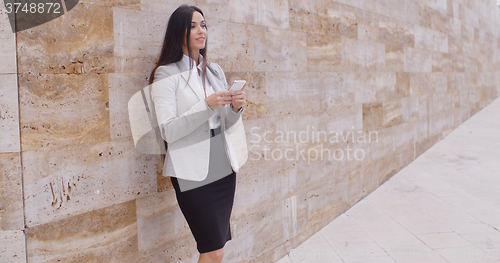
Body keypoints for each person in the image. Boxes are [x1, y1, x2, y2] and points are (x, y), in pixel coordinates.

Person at [149, 5, 248, 263]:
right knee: (213, 249)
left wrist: (235, 108)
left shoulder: (214, 71)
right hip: (191, 172)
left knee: (216, 248)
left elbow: (224, 123)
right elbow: (168, 130)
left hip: (223, 165)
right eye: (192, 25)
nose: (200, 30)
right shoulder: (166, 73)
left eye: (203, 24)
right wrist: (206, 105)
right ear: (178, 31)